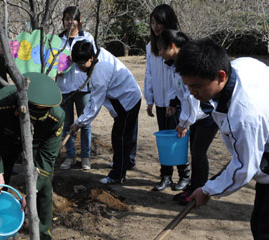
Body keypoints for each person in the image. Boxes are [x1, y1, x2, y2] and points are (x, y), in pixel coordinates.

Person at [177, 38, 269, 240]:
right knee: (260, 227)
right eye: (188, 85)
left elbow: (244, 170)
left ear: (220, 76)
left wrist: (207, 189)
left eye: (197, 86)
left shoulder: (246, 113)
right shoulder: (240, 67)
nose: (192, 92)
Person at [0, 72, 65, 240]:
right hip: (5, 140)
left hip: (36, 143)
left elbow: (47, 158)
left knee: (44, 188)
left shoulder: (56, 117)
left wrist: (32, 190)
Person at [156, 30, 218, 205]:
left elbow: (191, 97)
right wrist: (172, 103)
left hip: (206, 114)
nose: (159, 53)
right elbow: (179, 90)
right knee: (196, 151)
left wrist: (184, 123)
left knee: (199, 152)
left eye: (161, 49)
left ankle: (199, 190)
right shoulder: (175, 64)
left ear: (173, 46)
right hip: (196, 115)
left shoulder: (188, 63)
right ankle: (194, 188)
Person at [70, 41, 142, 184]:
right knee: (124, 136)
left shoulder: (100, 73)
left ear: (91, 58)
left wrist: (79, 122)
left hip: (127, 101)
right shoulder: (96, 58)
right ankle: (124, 163)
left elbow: (94, 104)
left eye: (82, 64)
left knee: (119, 138)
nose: (79, 67)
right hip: (124, 98)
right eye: (76, 63)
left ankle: (117, 175)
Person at [144, 4, 190, 192]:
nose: (156, 27)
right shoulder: (150, 46)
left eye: (160, 22)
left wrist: (175, 101)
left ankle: (184, 175)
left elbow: (177, 76)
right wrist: (149, 98)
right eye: (153, 22)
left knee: (178, 139)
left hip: (177, 101)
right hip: (161, 102)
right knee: (164, 140)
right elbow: (149, 73)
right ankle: (165, 176)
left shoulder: (176, 43)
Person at [57, 6, 97, 171]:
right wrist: (56, 68)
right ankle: (70, 156)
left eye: (72, 19)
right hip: (64, 87)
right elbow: (50, 60)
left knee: (85, 123)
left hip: (83, 87)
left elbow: (93, 60)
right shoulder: (57, 40)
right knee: (67, 124)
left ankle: (85, 157)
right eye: (66, 19)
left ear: (79, 21)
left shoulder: (87, 37)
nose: (69, 22)